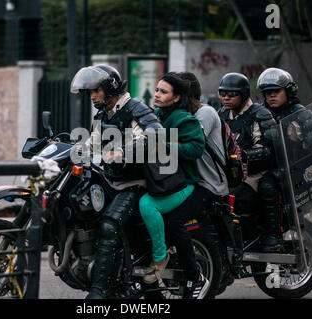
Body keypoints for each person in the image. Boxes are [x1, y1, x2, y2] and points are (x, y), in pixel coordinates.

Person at [70, 64, 163, 299]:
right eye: (89, 92)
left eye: (95, 91)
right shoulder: (103, 115)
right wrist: (65, 151)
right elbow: (91, 144)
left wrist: (122, 151)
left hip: (137, 184)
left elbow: (155, 133)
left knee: (109, 224)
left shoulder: (135, 109)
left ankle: (101, 290)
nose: (91, 96)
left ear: (110, 88)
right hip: (112, 182)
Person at [138, 72, 208, 298]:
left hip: (183, 183)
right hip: (159, 180)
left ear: (176, 97)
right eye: (157, 90)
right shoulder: (154, 116)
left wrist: (165, 145)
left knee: (148, 206)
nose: (157, 94)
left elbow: (196, 148)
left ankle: (162, 258)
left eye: (163, 91)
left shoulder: (183, 119)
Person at [256, 67, 312, 251]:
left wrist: (301, 137)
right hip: (267, 166)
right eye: (267, 92)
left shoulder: (300, 113)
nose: (271, 96)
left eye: (276, 91)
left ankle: (273, 235)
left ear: (288, 91)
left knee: (267, 185)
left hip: (293, 168)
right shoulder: (262, 113)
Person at [217, 72, 278, 252]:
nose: (226, 98)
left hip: (254, 175)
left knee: (235, 200)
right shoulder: (221, 114)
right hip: (229, 174)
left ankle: (268, 236)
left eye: (232, 94)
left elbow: (267, 150)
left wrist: (239, 156)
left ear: (243, 94)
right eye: (223, 93)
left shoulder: (260, 114)